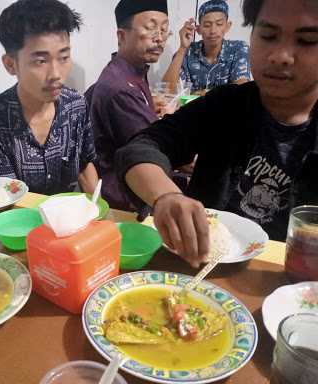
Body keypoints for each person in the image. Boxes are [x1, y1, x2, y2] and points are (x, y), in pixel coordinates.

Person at [116, 0, 318, 267]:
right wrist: (167, 197)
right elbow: (140, 148)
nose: (281, 55)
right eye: (268, 36)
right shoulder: (225, 105)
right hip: (197, 265)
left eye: (306, 40)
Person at [0, 0, 98, 195]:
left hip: (69, 219)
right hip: (18, 222)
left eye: (63, 57)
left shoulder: (76, 105)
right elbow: (3, 200)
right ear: (10, 64)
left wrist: (100, 213)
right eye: (40, 61)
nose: (56, 74)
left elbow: (85, 165)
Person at [86, 0, 175, 211]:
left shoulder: (130, 71)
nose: (160, 37)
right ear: (121, 36)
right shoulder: (121, 88)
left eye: (164, 28)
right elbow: (153, 151)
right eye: (150, 27)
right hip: (124, 197)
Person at [162, 0, 251, 94]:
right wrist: (182, 48)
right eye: (207, 25)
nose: (213, 30)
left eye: (219, 24)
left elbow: (242, 89)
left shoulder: (239, 48)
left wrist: (206, 94)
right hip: (192, 109)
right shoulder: (187, 52)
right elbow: (166, 91)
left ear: (227, 26)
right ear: (198, 29)